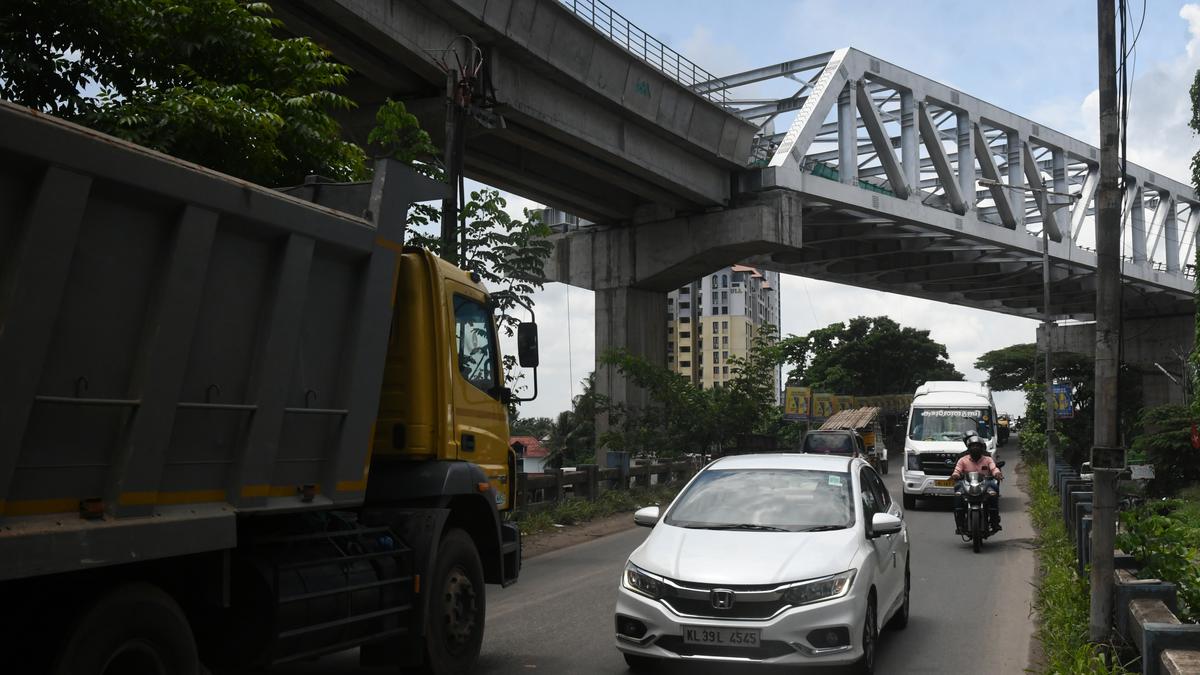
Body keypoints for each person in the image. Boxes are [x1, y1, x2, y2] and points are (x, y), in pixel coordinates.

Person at [951, 435, 1003, 534]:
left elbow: (993, 468)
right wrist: (955, 475)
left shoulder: (987, 459)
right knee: (957, 491)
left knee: (994, 488)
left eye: (977, 446)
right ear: (968, 448)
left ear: (982, 447)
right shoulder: (963, 460)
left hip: (985, 483)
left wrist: (997, 473)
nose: (975, 448)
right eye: (973, 446)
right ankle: (960, 523)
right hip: (967, 484)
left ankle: (994, 520)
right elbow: (957, 470)